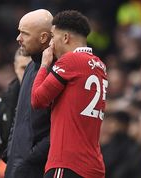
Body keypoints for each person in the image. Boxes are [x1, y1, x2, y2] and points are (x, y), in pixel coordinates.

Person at [31, 10, 108, 178]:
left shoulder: (71, 61)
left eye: (52, 36)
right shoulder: (100, 66)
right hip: (93, 167)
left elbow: (37, 100)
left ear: (65, 38)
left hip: (67, 164)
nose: (50, 43)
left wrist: (44, 65)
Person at [4, 9, 53, 178]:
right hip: (16, 166)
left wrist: (31, 157)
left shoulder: (57, 72)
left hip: (36, 169)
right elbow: (20, 115)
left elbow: (58, 127)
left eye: (24, 33)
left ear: (44, 38)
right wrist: (10, 152)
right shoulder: (31, 66)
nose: (18, 38)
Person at [0, 48, 31, 160]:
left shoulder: (49, 95)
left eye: (30, 67)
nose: (27, 72)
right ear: (15, 67)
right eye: (23, 68)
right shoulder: (4, 101)